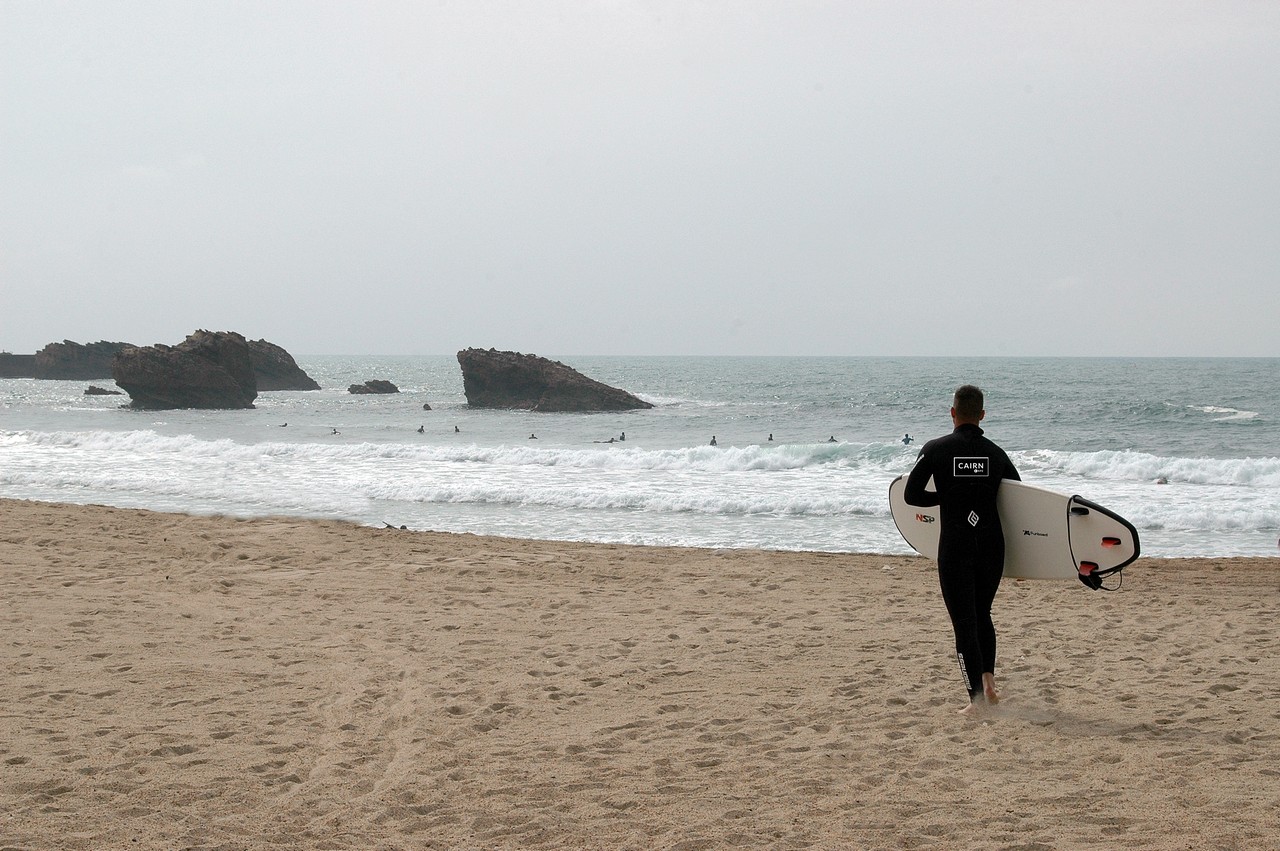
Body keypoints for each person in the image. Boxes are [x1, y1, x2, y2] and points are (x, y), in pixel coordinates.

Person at [903, 384, 1019, 715]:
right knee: (983, 614)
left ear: (952, 412)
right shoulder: (996, 453)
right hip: (991, 545)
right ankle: (989, 684)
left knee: (964, 622)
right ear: (982, 415)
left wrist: (947, 497)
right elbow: (1020, 500)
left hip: (955, 544)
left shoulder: (935, 449)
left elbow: (912, 496)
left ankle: (976, 702)